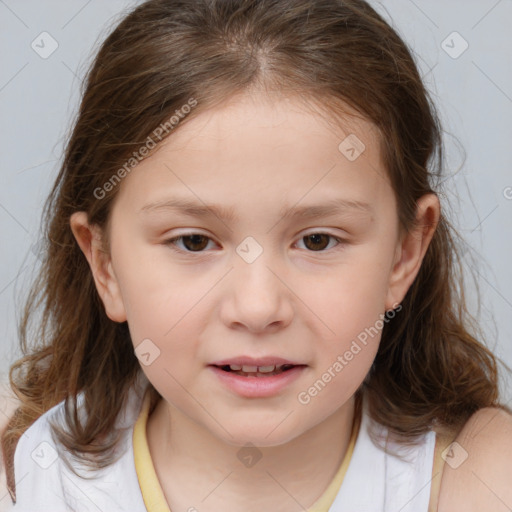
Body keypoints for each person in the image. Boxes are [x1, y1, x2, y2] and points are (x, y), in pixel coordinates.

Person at [2, 0, 511, 510]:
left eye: (317, 241)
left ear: (405, 253)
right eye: (194, 241)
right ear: (105, 264)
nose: (257, 308)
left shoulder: (476, 476)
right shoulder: (29, 479)